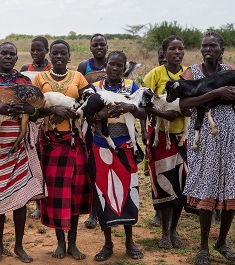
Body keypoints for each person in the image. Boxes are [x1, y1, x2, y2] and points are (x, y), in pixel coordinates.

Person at [0, 42, 44, 263]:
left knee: (20, 197)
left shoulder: (25, 81)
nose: (8, 57)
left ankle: (19, 246)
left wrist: (31, 110)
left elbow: (36, 112)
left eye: (12, 54)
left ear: (16, 57)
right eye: (4, 53)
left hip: (19, 144)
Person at [179, 32, 235, 265]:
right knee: (206, 186)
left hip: (230, 135)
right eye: (204, 46)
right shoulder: (191, 73)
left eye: (213, 46)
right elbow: (183, 106)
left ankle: (222, 241)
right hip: (203, 137)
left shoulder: (229, 70)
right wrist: (214, 93)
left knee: (231, 187)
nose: (208, 49)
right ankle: (203, 246)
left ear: (222, 50)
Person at [33, 39, 92, 260]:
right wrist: (53, 111)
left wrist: (73, 111)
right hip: (50, 142)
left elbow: (90, 101)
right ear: (50, 55)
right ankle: (59, 242)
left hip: (75, 141)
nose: (59, 57)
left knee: (75, 191)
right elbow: (33, 111)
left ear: (69, 56)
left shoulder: (78, 77)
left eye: (63, 53)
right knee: (57, 193)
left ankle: (73, 243)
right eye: (55, 53)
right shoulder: (40, 78)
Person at [86, 51, 145, 262]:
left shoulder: (132, 87)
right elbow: (87, 115)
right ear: (106, 65)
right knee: (104, 193)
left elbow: (144, 112)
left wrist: (131, 107)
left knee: (128, 191)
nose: (115, 68)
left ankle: (130, 242)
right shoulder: (95, 89)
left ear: (124, 67)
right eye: (111, 64)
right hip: (101, 146)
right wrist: (100, 115)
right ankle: (107, 243)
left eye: (119, 65)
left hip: (126, 147)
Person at [143, 35, 188, 250]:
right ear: (164, 52)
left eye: (180, 48)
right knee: (163, 184)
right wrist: (163, 113)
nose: (177, 52)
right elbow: (142, 105)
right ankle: (164, 233)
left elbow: (196, 98)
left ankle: (173, 230)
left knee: (181, 185)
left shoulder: (189, 74)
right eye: (172, 49)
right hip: (160, 138)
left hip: (184, 137)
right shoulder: (155, 75)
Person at [77, 33, 108, 229]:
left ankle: (108, 208)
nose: (98, 47)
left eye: (102, 44)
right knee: (92, 165)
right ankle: (93, 212)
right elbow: (80, 92)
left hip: (110, 120)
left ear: (107, 46)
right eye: (95, 44)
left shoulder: (113, 63)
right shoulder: (84, 66)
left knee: (107, 166)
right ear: (90, 48)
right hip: (89, 121)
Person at [19, 36, 51, 220]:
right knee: (33, 161)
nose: (35, 53)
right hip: (31, 120)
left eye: (39, 50)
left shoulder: (51, 69)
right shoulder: (26, 70)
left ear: (46, 50)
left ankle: (46, 203)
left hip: (46, 119)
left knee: (44, 161)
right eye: (32, 50)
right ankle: (37, 204)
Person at [147, 47, 168, 227]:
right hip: (156, 129)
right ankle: (158, 213)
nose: (164, 60)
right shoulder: (155, 75)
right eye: (161, 57)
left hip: (180, 131)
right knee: (156, 172)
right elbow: (144, 102)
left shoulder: (186, 73)